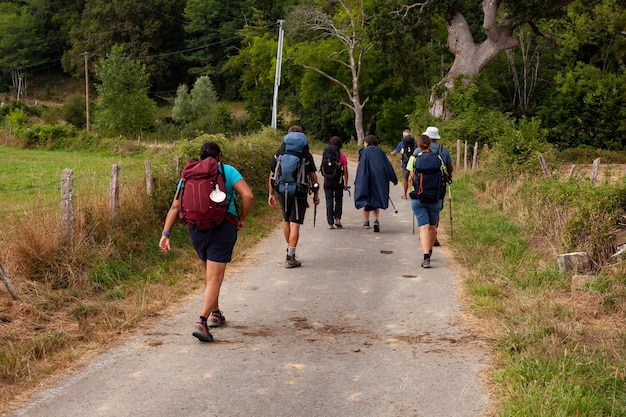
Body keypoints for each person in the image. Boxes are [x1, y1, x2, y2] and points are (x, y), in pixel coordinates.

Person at [159, 141, 254, 343]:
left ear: (201, 156)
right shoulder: (226, 170)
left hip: (195, 229)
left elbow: (175, 207)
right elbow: (248, 195)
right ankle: (202, 321)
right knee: (214, 277)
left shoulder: (189, 174)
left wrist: (166, 233)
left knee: (209, 274)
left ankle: (216, 312)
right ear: (219, 155)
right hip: (222, 227)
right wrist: (242, 219)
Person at [268, 126, 320, 268]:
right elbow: (314, 178)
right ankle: (290, 256)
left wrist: (271, 193)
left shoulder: (280, 151)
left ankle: (289, 249)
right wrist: (316, 195)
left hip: (281, 190)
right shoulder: (305, 154)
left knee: (286, 221)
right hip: (299, 192)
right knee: (295, 223)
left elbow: (272, 174)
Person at [407, 134, 444, 268]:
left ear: (418, 146)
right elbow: (443, 176)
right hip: (435, 197)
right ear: (430, 145)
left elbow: (411, 178)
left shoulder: (414, 159)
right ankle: (430, 249)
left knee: (423, 227)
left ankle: (426, 257)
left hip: (419, 197)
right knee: (432, 226)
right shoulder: (438, 158)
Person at [354, 134, 398, 232]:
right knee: (376, 199)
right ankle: (376, 220)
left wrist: (357, 179)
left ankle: (366, 221)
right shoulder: (380, 152)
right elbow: (387, 165)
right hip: (379, 179)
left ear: (367, 143)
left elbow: (359, 166)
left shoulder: (363, 152)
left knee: (366, 199)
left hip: (366, 179)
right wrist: (393, 178)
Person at [420, 126, 453, 246]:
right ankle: (434, 234)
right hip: (439, 184)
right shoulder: (444, 150)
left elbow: (412, 165)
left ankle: (424, 233)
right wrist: (450, 176)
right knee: (436, 208)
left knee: (423, 207)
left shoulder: (419, 150)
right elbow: (449, 167)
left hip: (422, 184)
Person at [321, 136, 349, 229]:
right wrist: (346, 183)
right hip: (338, 181)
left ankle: (330, 223)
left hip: (328, 180)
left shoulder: (325, 155)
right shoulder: (342, 156)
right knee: (338, 200)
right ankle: (337, 219)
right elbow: (345, 171)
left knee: (329, 201)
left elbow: (323, 168)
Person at [390, 129, 415, 200]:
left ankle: (405, 194)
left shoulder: (401, 143)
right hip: (414, 163)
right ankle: (415, 192)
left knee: (405, 179)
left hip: (405, 164)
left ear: (403, 136)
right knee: (414, 178)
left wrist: (391, 153)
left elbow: (395, 152)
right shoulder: (415, 143)